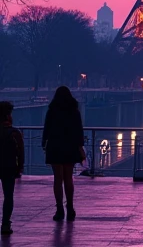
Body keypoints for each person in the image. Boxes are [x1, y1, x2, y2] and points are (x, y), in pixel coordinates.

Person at [42, 87, 84, 222]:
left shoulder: (52, 111)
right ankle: (70, 208)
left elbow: (46, 129)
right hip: (70, 146)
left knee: (57, 179)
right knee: (68, 178)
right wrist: (80, 146)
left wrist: (44, 143)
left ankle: (59, 209)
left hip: (55, 146)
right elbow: (79, 130)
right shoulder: (74, 111)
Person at [0, 102, 24, 236]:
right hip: (9, 167)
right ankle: (5, 223)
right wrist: (19, 168)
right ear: (8, 116)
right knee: (8, 196)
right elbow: (20, 153)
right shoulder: (15, 133)